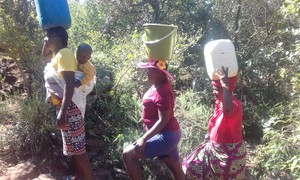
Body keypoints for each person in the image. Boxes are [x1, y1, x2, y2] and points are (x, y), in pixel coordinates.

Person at [42, 26, 94, 180]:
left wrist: (63, 112)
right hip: (66, 106)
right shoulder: (57, 55)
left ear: (58, 38)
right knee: (74, 147)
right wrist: (45, 42)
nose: (46, 39)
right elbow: (43, 56)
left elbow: (69, 85)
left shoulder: (64, 54)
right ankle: (79, 178)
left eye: (49, 36)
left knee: (78, 149)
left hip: (70, 107)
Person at [122, 59, 185, 180]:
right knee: (176, 169)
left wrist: (144, 139)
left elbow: (163, 120)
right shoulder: (157, 84)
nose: (147, 73)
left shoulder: (163, 92)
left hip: (166, 136)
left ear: (159, 72)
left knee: (128, 155)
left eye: (150, 71)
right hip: (169, 133)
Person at [182, 66, 247, 179]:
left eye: (217, 89)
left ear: (227, 90)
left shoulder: (233, 106)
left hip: (228, 156)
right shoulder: (220, 104)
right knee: (189, 167)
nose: (214, 92)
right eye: (214, 88)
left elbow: (227, 110)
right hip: (213, 151)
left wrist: (225, 84)